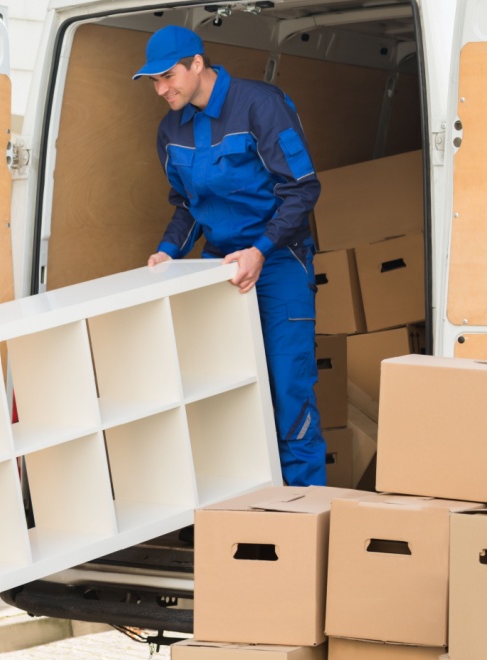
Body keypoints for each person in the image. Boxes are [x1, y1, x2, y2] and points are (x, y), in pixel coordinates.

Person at [134, 26, 326, 486]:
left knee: (288, 391)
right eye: (154, 82)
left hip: (278, 262)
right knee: (229, 398)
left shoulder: (260, 106)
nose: (161, 90)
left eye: (167, 77)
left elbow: (303, 189)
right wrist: (167, 253)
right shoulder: (169, 130)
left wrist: (260, 250)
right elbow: (186, 205)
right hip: (218, 269)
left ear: (197, 64)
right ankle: (244, 517)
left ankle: (303, 519)